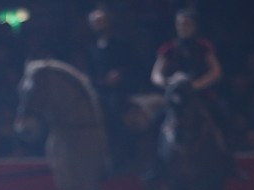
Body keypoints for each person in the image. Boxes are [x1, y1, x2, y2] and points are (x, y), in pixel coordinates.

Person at [149, 8, 242, 178]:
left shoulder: (203, 46)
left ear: (194, 26)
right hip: (176, 100)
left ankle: (230, 163)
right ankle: (156, 166)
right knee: (154, 123)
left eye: (187, 24)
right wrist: (169, 84)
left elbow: (216, 72)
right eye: (180, 24)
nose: (183, 27)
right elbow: (155, 74)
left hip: (201, 96)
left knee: (224, 118)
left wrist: (195, 86)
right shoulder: (168, 49)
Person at [86, 7, 137, 172]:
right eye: (95, 22)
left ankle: (124, 152)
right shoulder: (92, 49)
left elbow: (133, 65)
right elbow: (91, 72)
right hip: (100, 90)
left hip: (119, 91)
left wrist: (120, 74)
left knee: (114, 111)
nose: (99, 25)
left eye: (101, 21)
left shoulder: (121, 44)